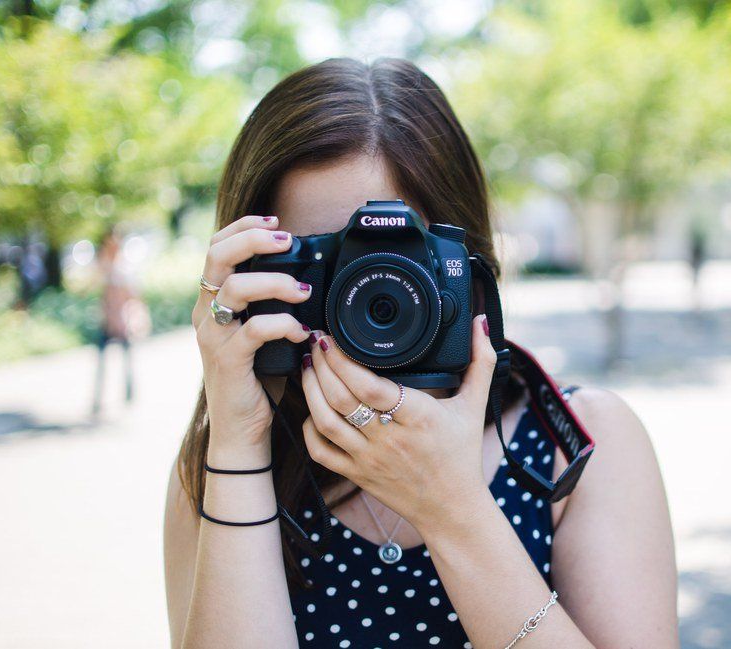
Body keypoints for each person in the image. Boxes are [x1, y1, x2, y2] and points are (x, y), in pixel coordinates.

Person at [164, 58, 677, 649]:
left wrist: (450, 507)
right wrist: (237, 439)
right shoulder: (218, 467)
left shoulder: (579, 446)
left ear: (468, 269)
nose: (365, 298)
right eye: (327, 264)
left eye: (394, 258)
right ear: (256, 270)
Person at [91, 228, 147, 417]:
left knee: (126, 360)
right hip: (106, 321)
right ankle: (98, 399)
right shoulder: (106, 267)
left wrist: (134, 319)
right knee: (103, 362)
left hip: (122, 322)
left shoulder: (125, 269)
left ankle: (129, 394)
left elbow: (134, 297)